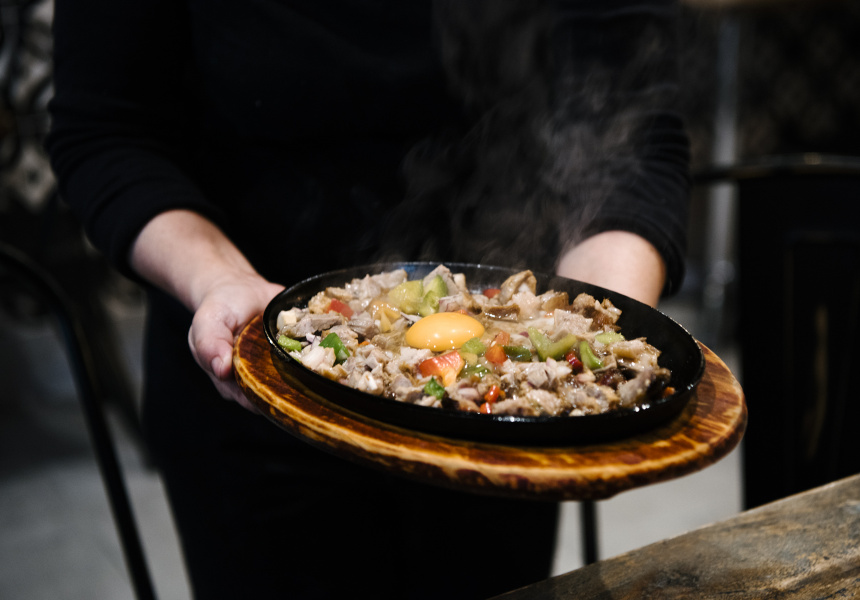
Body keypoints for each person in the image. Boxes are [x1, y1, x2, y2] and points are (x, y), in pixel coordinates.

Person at [47, 1, 690, 597]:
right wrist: (217, 277)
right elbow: (106, 129)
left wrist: (595, 333)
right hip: (258, 384)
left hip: (501, 433)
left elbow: (635, 119)